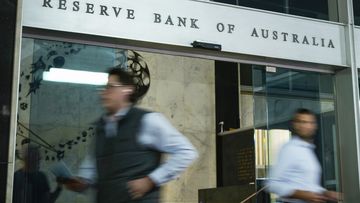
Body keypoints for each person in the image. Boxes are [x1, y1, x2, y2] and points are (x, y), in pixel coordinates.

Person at [63, 67, 198, 203]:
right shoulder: (101, 129)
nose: (104, 93)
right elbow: (91, 171)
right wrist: (80, 183)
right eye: (104, 88)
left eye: (111, 87)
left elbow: (186, 152)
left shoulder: (147, 121)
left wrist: (151, 180)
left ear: (127, 90)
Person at [266, 108, 341, 203]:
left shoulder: (307, 149)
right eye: (303, 122)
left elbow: (308, 185)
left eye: (311, 122)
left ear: (315, 126)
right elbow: (272, 184)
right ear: (295, 125)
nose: (307, 126)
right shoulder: (290, 149)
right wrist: (302, 195)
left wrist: (325, 193)